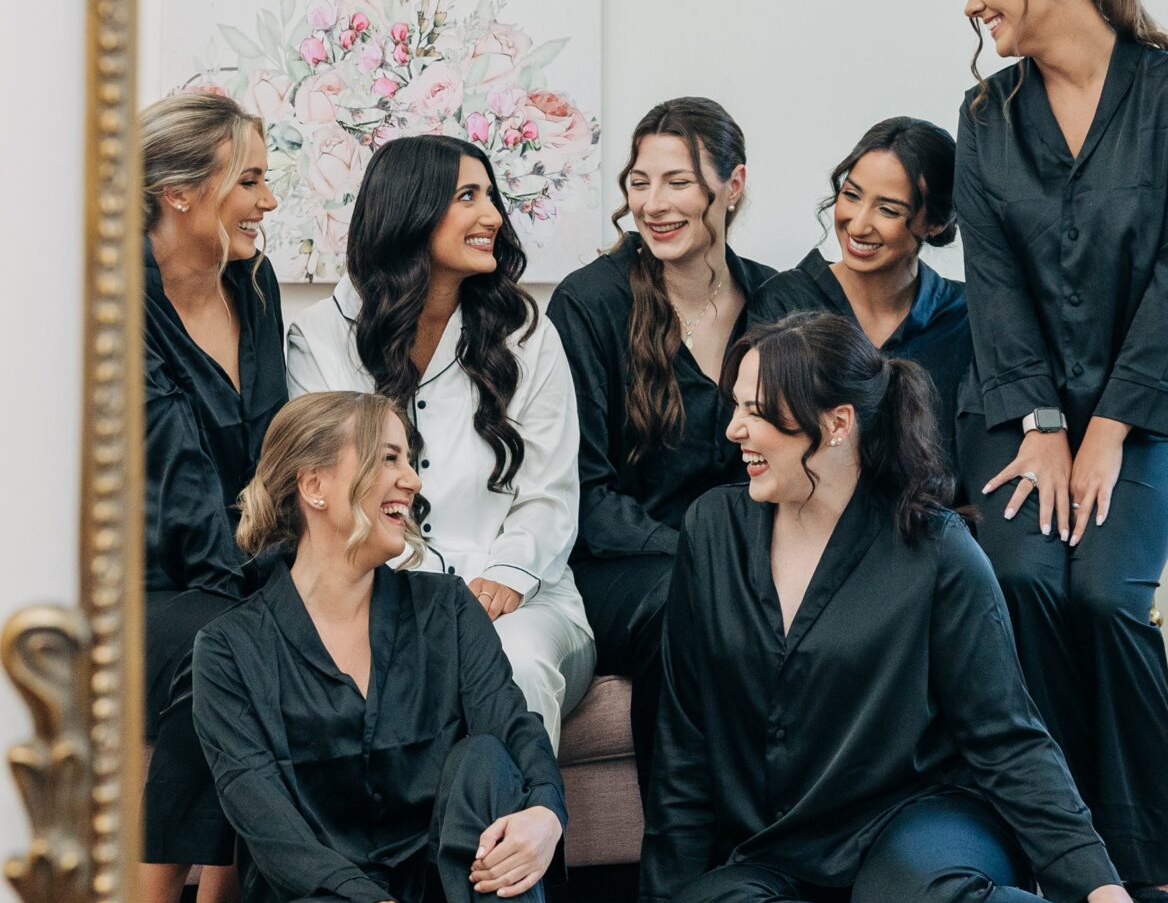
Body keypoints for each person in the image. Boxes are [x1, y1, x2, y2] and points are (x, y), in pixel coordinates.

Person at [616, 312, 1168, 903]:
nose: (734, 430)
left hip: (923, 822)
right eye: (736, 407)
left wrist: (1097, 883)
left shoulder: (937, 547)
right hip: (786, 845)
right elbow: (685, 739)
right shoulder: (712, 530)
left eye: (757, 413)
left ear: (834, 425)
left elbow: (1007, 736)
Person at [192, 390, 648, 903]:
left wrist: (546, 815)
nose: (413, 480)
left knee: (488, 763)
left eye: (412, 461)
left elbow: (518, 733)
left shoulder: (447, 608)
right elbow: (266, 824)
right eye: (389, 459)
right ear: (314, 486)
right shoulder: (229, 650)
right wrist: (369, 902)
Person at [954, 0, 1168, 892]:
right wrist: (1042, 422)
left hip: (1151, 410)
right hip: (1015, 412)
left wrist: (1107, 425)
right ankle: (1057, 861)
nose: (974, 3)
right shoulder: (987, 115)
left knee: (1106, 596)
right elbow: (996, 282)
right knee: (1025, 582)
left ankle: (1143, 873)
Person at [286, 135, 594, 750]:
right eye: (467, 197)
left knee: (517, 666)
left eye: (491, 196)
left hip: (523, 601)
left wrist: (506, 578)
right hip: (379, 597)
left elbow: (551, 491)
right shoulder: (320, 339)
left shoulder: (529, 335)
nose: (493, 216)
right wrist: (433, 596)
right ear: (410, 210)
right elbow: (342, 501)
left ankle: (519, 844)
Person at [551, 98, 771, 799]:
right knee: (688, 599)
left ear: (732, 186)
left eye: (677, 181)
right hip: (619, 570)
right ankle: (681, 865)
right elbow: (584, 494)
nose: (653, 203)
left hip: (747, 556)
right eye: (640, 182)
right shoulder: (589, 304)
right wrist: (708, 557)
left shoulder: (778, 300)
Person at [141, 90, 287, 903]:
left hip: (245, 560)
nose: (269, 202)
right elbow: (177, 488)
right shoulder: (113, 304)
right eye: (252, 179)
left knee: (292, 628)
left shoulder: (256, 286)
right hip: (142, 578)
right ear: (183, 193)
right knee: (224, 648)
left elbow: (283, 449)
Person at [752, 115, 972, 466]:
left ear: (935, 223)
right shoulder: (784, 303)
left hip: (931, 517)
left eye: (887, 209)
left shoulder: (965, 317)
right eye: (851, 195)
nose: (857, 224)